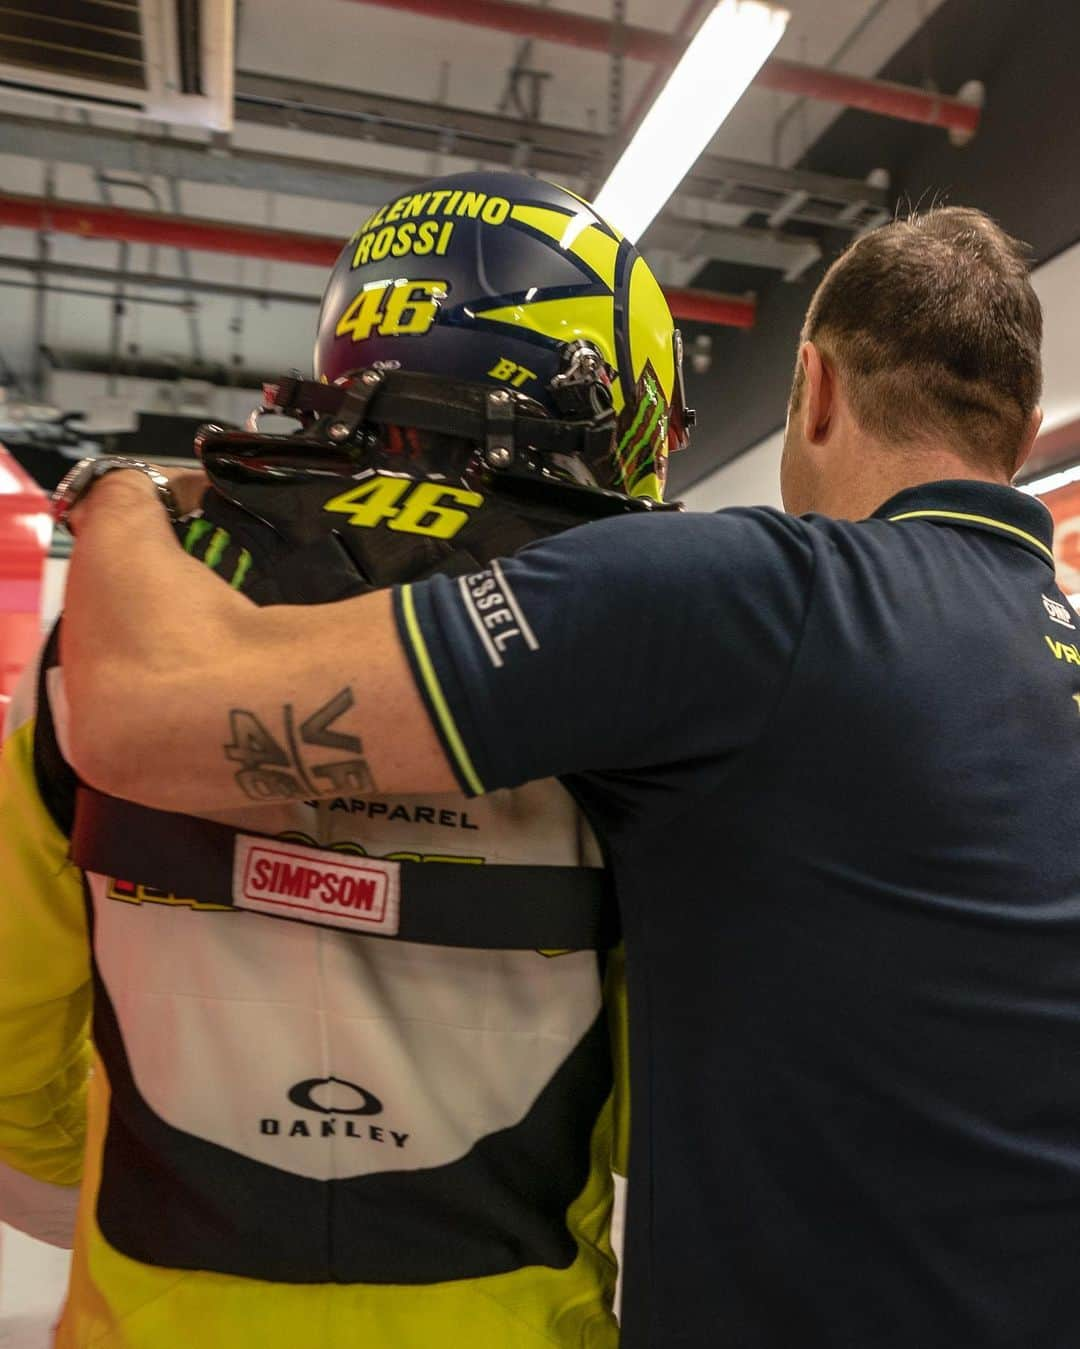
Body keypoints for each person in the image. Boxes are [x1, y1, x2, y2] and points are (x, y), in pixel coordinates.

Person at [55, 203, 1077, 1349]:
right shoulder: (1052, 660)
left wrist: (117, 492)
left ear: (815, 386)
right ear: (1026, 430)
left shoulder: (754, 596)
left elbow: (144, 714)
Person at [0, 170, 699, 1347]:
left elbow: (10, 1030)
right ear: (604, 377)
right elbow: (669, 1108)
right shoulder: (636, 652)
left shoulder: (128, 606)